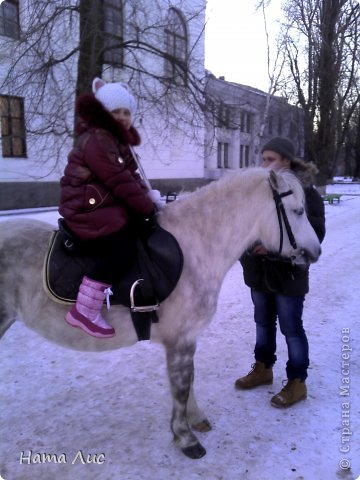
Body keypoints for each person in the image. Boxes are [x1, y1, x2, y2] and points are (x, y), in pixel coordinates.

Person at [59, 78, 157, 339]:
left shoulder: (114, 141)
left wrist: (150, 199)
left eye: (127, 112)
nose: (123, 117)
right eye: (116, 111)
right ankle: (85, 309)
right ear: (103, 113)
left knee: (140, 231)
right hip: (86, 208)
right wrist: (146, 209)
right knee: (120, 249)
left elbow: (131, 177)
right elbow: (119, 181)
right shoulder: (98, 139)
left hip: (101, 203)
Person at [235, 137, 326, 407]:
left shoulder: (305, 193)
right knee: (263, 323)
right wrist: (250, 249)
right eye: (263, 159)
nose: (265, 165)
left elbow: (314, 234)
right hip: (259, 273)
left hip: (289, 274)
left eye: (270, 159)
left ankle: (297, 382)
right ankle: (263, 368)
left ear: (287, 160)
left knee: (291, 328)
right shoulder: (259, 190)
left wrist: (273, 249)